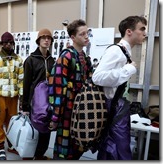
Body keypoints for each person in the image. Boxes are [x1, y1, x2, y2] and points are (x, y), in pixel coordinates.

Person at [92, 15, 147, 160]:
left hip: (119, 108)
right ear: (129, 31)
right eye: (141, 29)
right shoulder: (116, 51)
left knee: (113, 150)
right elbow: (97, 77)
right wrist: (128, 70)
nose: (145, 33)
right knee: (119, 151)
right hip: (114, 109)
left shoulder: (124, 52)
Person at [48, 19, 92, 160]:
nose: (86, 36)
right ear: (73, 37)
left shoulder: (85, 58)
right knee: (64, 148)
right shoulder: (66, 56)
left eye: (87, 33)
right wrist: (55, 116)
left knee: (77, 146)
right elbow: (57, 88)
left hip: (80, 111)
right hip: (67, 111)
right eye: (82, 34)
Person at [0, 32, 23, 160]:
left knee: (12, 122)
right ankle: (0, 147)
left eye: (11, 42)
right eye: (6, 42)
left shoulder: (18, 59)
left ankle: (12, 144)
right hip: (0, 97)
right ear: (2, 44)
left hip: (13, 97)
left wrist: (22, 98)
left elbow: (21, 80)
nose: (8, 44)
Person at [21, 28, 55, 160]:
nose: (46, 40)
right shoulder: (30, 60)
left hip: (49, 100)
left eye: (49, 38)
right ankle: (29, 153)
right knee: (33, 129)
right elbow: (26, 83)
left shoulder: (53, 61)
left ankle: (40, 154)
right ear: (38, 40)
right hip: (34, 101)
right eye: (43, 38)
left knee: (46, 128)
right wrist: (25, 106)